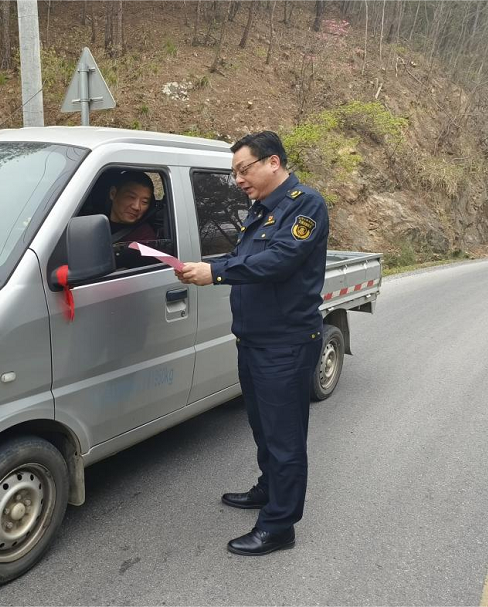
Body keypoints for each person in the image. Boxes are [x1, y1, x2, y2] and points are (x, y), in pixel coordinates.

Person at [176, 131, 329, 556]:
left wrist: (216, 274)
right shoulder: (261, 210)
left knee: (285, 438)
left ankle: (279, 526)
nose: (238, 179)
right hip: (255, 340)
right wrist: (206, 266)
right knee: (263, 427)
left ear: (273, 162)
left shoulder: (305, 205)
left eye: (244, 169)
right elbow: (245, 258)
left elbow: (278, 260)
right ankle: (269, 489)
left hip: (286, 344)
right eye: (235, 173)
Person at [103, 171, 158, 268]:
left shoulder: (145, 239)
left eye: (144, 202)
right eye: (131, 197)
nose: (137, 207)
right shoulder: (94, 224)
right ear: (113, 193)